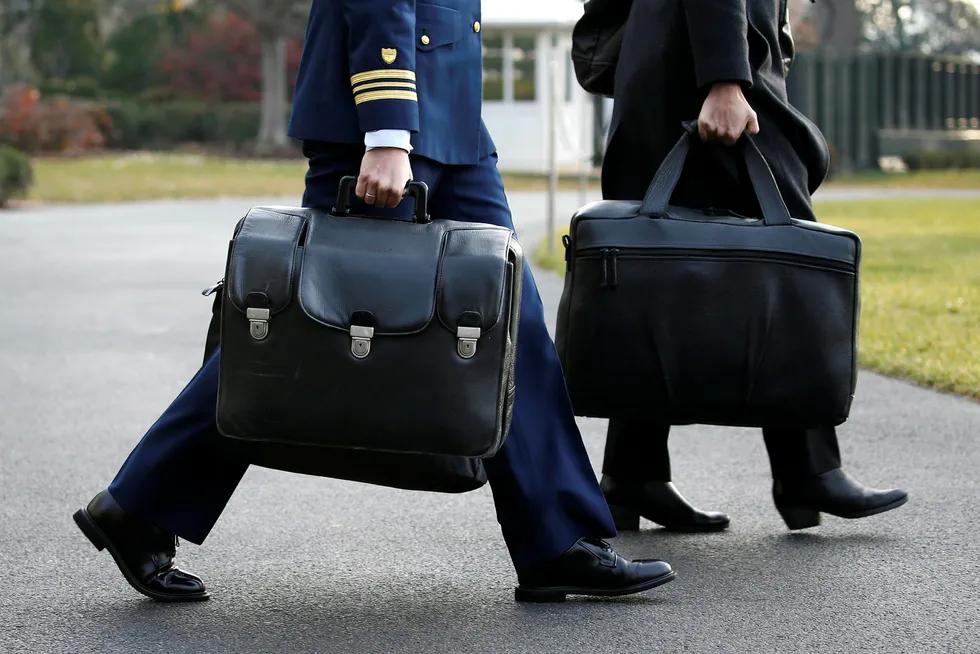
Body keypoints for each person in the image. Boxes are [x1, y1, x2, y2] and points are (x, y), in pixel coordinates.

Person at [71, 0, 676, 605]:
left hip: (452, 121)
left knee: (511, 320)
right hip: (387, 121)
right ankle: (137, 507)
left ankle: (556, 541)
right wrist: (387, 131)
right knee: (300, 334)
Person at [593, 0, 909, 532]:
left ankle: (632, 473)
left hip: (670, 65)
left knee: (657, 276)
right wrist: (725, 79)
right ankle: (808, 470)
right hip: (707, 74)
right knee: (790, 266)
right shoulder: (720, 79)